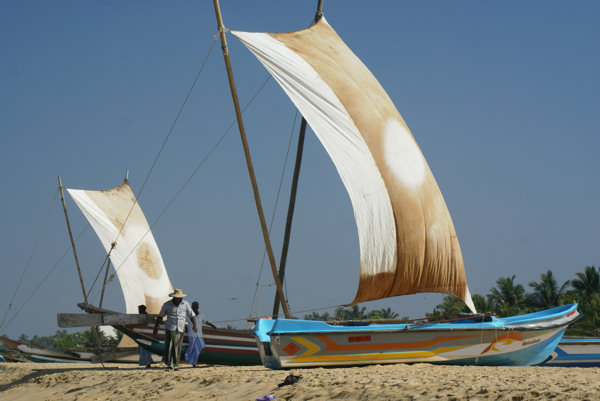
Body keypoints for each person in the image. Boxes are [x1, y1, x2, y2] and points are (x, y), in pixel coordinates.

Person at [153, 289, 196, 371]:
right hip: (170, 327)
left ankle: (175, 365)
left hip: (180, 328)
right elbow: (160, 316)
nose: (180, 299)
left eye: (181, 298)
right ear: (174, 298)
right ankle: (169, 364)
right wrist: (156, 327)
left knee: (177, 346)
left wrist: (195, 325)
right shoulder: (167, 305)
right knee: (169, 345)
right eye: (178, 298)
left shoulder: (185, 304)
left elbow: (191, 315)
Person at [184, 301, 217, 367]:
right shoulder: (188, 315)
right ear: (192, 307)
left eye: (196, 306)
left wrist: (212, 325)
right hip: (192, 335)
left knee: (200, 346)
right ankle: (193, 363)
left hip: (199, 335)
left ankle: (191, 360)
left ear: (198, 307)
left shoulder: (201, 314)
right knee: (192, 348)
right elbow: (182, 321)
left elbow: (205, 321)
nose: (195, 307)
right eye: (194, 306)